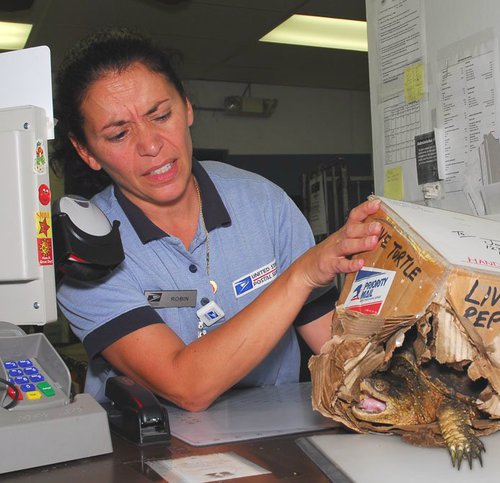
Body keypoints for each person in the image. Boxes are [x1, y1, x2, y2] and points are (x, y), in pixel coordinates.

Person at [51, 29, 381, 412]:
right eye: (119, 134)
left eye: (161, 115)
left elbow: (340, 354)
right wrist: (302, 274)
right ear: (86, 151)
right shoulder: (85, 250)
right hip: (151, 442)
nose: (151, 145)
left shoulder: (263, 204)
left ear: (187, 108)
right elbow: (184, 386)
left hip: (277, 433)